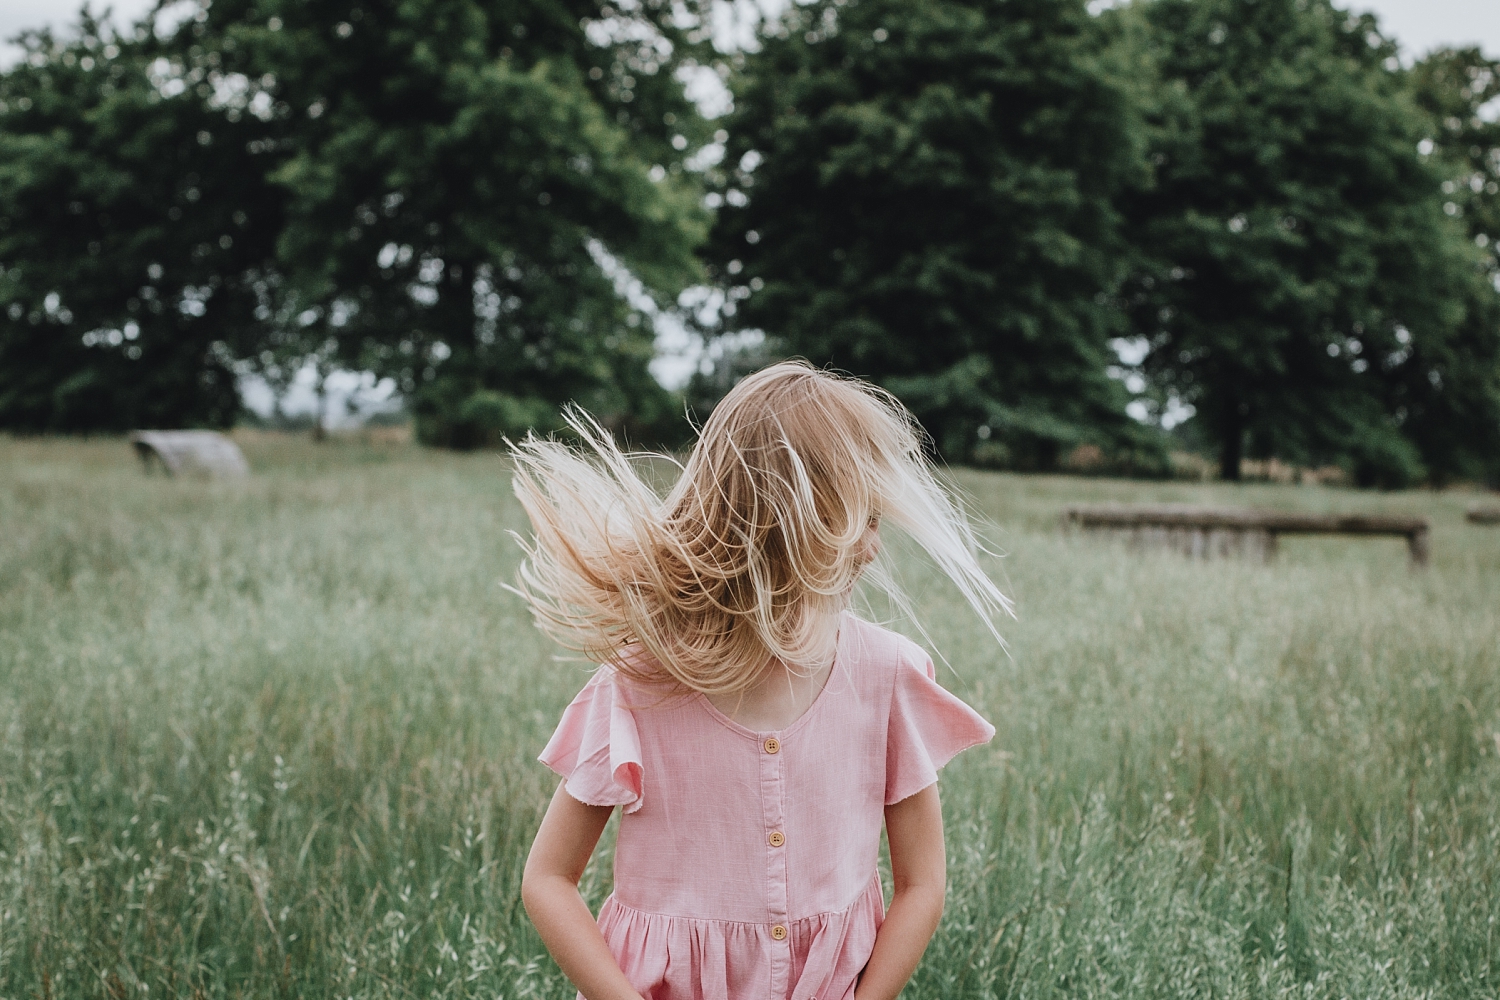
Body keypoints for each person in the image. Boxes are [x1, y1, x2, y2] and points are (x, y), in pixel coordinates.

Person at [512, 361, 1011, 1000]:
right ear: (790, 528)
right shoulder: (641, 684)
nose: (872, 548)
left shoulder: (885, 676)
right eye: (860, 519)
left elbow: (923, 884)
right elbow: (548, 879)